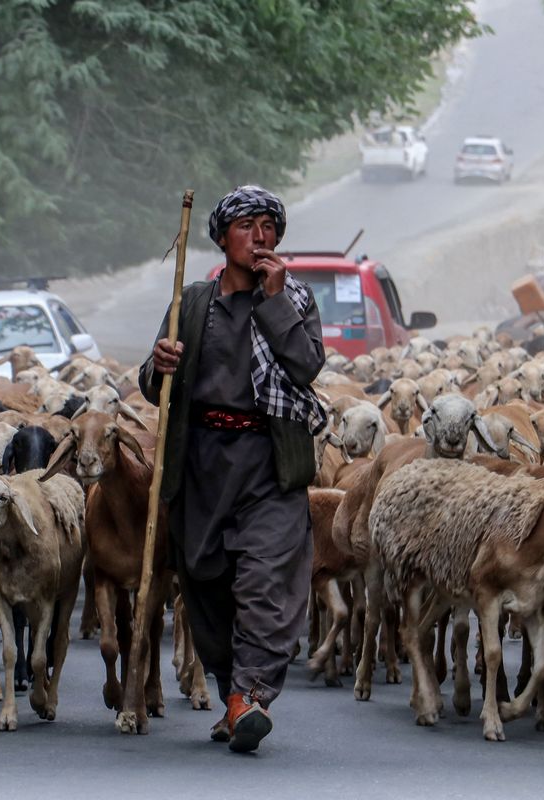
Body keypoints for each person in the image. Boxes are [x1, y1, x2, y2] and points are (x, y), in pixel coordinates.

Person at [139, 185, 325, 754]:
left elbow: (305, 365)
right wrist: (159, 364)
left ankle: (251, 695)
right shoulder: (191, 302)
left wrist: (272, 301)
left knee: (265, 583)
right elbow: (155, 385)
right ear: (222, 237)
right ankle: (232, 695)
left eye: (269, 226)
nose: (261, 235)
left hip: (268, 463)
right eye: (248, 225)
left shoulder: (293, 299)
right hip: (202, 465)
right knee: (207, 585)